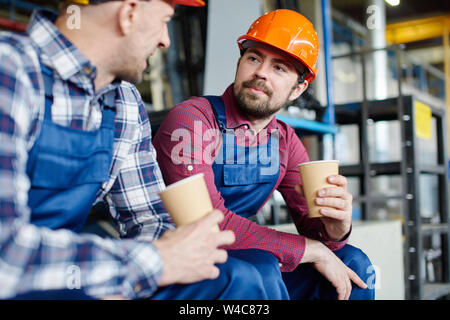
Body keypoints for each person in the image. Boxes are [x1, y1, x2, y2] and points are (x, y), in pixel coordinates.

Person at [0, 0, 274, 300]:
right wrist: (150, 262)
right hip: (19, 281)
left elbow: (148, 217)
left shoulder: (125, 102)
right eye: (164, 19)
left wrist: (155, 265)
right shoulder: (11, 71)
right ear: (129, 12)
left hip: (79, 274)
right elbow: (6, 252)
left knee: (237, 279)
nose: (165, 40)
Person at [153, 9, 376, 300]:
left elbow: (320, 236)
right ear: (241, 62)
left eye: (279, 67)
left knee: (352, 263)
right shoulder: (192, 121)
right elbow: (204, 223)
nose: (260, 72)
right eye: (254, 58)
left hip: (239, 257)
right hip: (177, 259)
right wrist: (311, 250)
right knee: (262, 268)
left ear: (298, 89)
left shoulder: (285, 141)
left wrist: (334, 228)